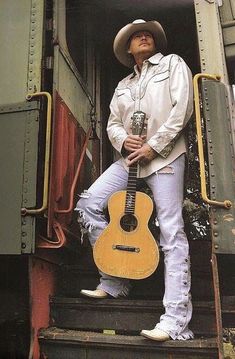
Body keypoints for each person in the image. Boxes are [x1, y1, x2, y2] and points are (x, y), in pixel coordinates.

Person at [75, 19, 194, 342]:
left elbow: (182, 108)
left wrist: (153, 146)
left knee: (171, 231)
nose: (144, 36)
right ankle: (115, 278)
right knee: (89, 203)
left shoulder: (172, 64)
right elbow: (114, 122)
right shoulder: (123, 84)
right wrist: (122, 140)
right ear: (128, 50)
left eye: (148, 34)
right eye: (136, 36)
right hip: (128, 161)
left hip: (165, 156)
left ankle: (174, 320)